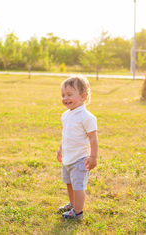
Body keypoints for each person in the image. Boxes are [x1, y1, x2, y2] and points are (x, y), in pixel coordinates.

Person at [56, 75, 99, 220]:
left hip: (80, 159)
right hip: (68, 157)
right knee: (69, 183)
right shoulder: (66, 115)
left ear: (83, 96)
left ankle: (78, 212)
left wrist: (93, 157)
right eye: (63, 95)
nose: (65, 98)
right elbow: (66, 134)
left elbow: (93, 138)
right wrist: (61, 149)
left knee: (78, 185)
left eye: (69, 94)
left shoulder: (87, 117)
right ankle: (73, 204)